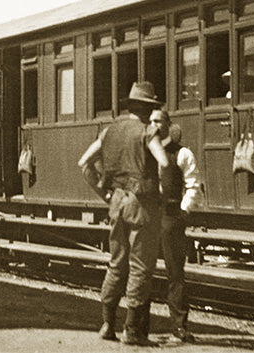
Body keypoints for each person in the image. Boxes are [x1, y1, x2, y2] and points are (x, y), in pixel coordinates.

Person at [78, 81, 170, 346]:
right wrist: (162, 192)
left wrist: (104, 194)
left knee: (116, 263)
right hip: (143, 205)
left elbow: (84, 163)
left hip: (117, 203)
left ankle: (107, 324)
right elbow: (164, 162)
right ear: (147, 108)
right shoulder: (147, 131)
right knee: (140, 267)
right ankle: (132, 330)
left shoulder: (110, 131)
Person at [149, 109, 201, 344]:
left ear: (168, 124)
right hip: (149, 216)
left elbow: (193, 184)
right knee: (143, 271)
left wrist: (184, 211)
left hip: (171, 217)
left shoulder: (182, 154)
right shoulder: (146, 150)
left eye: (158, 120)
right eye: (151, 120)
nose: (153, 124)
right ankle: (140, 325)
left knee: (175, 273)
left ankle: (179, 326)